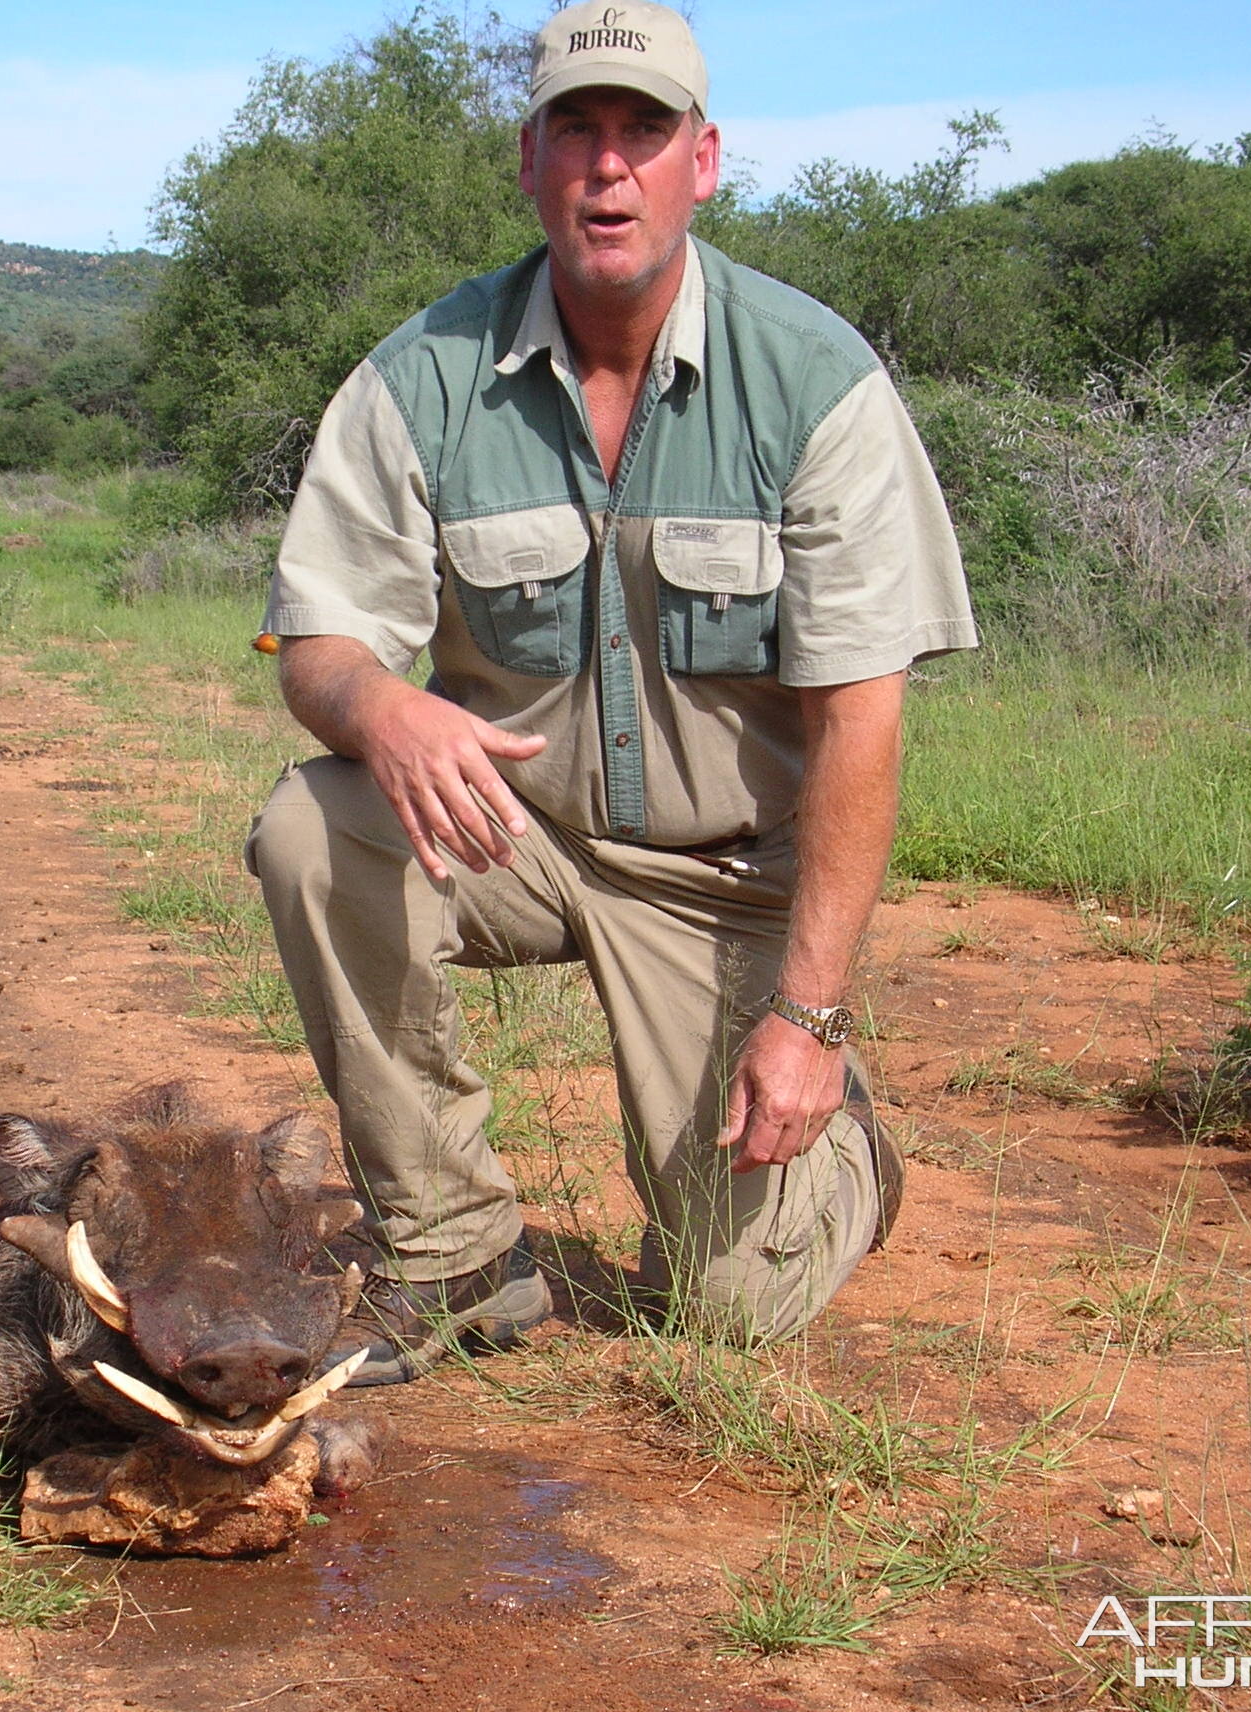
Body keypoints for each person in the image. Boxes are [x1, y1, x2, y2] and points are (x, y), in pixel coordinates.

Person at [245, 0, 977, 1385]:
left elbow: (861, 721)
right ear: (529, 162)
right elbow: (324, 642)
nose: (607, 165)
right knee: (309, 826)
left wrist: (810, 1020)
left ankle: (853, 1154)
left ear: (703, 162)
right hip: (514, 838)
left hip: (734, 877)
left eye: (644, 132)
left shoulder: (816, 384)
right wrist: (379, 709)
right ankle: (454, 1252)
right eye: (575, 130)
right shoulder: (421, 378)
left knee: (727, 1309)